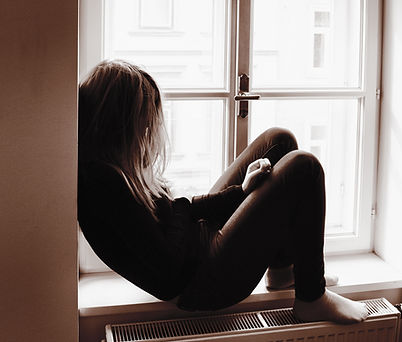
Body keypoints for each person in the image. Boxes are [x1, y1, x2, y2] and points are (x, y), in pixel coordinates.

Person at [78, 60, 368, 324]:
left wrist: (240, 193)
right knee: (304, 167)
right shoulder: (104, 186)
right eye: (143, 123)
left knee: (278, 140)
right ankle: (312, 297)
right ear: (119, 125)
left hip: (200, 247)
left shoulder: (112, 168)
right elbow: (169, 270)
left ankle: (282, 271)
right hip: (203, 282)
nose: (148, 132)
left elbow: (181, 213)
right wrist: (199, 204)